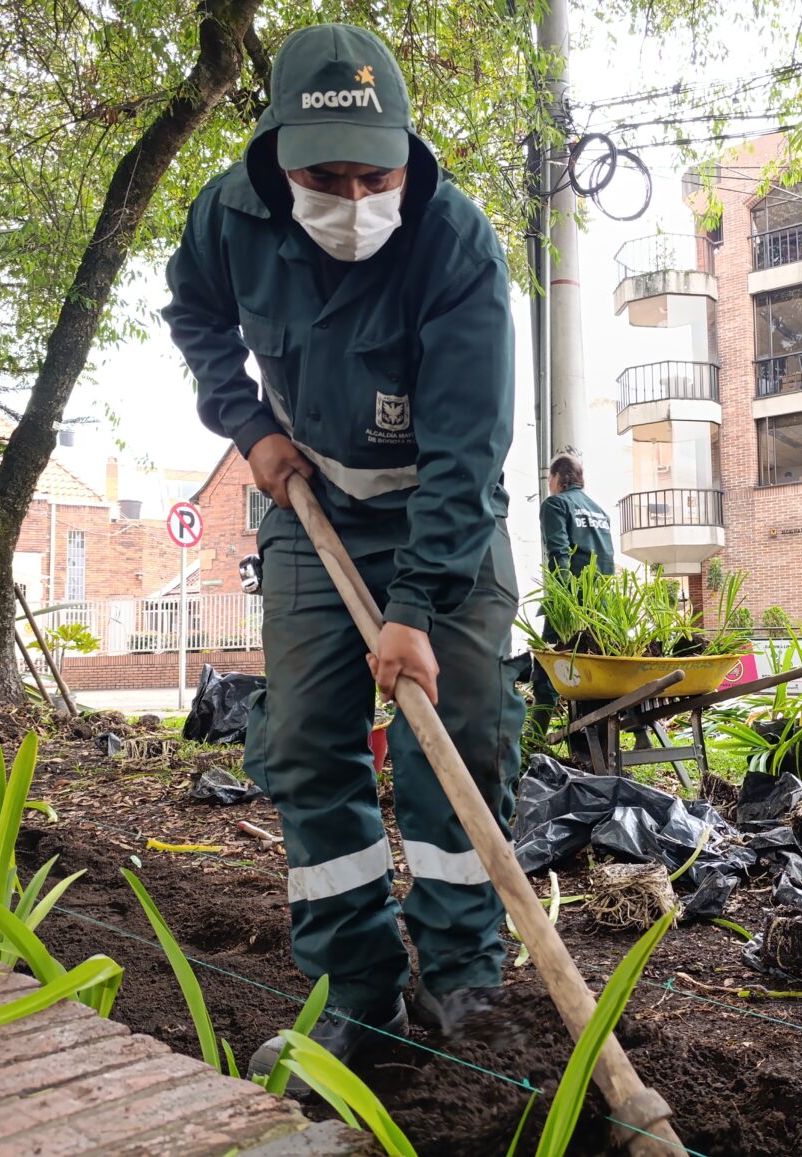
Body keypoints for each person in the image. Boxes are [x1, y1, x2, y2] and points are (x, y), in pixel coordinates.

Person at [162, 23, 524, 1077]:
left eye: (379, 173)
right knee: (311, 740)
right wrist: (249, 427)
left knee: (457, 743)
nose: (358, 197)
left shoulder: (455, 244)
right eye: (329, 176)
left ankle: (462, 983)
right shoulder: (226, 222)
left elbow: (468, 451)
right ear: (278, 162)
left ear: (409, 156)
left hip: (438, 516)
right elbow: (193, 317)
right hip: (312, 505)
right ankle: (357, 995)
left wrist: (415, 606)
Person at [530, 453, 614, 737]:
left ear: (556, 478)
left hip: (569, 603)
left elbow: (559, 553)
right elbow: (607, 560)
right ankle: (637, 735)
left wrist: (563, 603)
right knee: (602, 673)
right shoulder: (600, 512)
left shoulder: (555, 504)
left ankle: (534, 740)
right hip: (601, 606)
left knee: (546, 670)